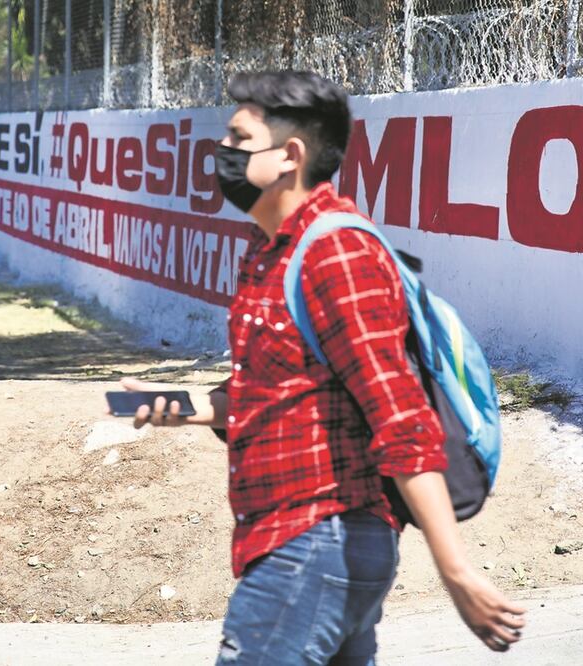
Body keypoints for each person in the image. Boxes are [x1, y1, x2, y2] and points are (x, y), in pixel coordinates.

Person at [112, 70, 525, 665]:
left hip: (318, 541)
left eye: (237, 139)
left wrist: (456, 571)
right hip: (301, 543)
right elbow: (275, 390)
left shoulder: (336, 253)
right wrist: (183, 405)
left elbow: (403, 418)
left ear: (290, 155)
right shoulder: (268, 251)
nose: (221, 154)